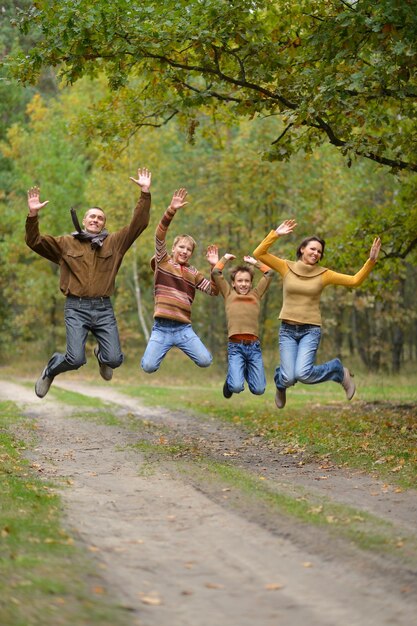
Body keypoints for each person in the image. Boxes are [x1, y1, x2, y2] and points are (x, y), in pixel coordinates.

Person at [25, 167, 152, 398]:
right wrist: (33, 216)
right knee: (74, 359)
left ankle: (102, 356)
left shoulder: (115, 243)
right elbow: (34, 241)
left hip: (103, 308)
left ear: (104, 224)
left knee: (114, 359)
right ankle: (51, 368)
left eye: (100, 218)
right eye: (92, 216)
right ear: (84, 221)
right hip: (76, 308)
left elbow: (138, 224)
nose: (96, 219)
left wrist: (144, 193)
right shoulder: (65, 244)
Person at [253, 220, 381, 409]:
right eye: (312, 249)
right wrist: (276, 234)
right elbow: (259, 254)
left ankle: (337, 370)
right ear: (302, 249)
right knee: (288, 377)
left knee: (303, 374)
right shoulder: (285, 266)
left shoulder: (324, 274)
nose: (316, 253)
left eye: (319, 251)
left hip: (310, 330)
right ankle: (281, 384)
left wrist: (371, 261)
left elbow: (354, 281)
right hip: (287, 330)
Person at [141, 187, 219, 373]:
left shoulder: (194, 273)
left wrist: (214, 267)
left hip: (183, 329)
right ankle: (154, 351)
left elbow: (214, 291)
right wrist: (171, 210)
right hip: (161, 328)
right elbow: (159, 235)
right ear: (174, 248)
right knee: (149, 367)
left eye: (188, 249)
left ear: (191, 253)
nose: (184, 251)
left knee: (205, 361)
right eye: (181, 247)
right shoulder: (163, 261)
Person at [212, 253, 273, 398]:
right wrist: (225, 258)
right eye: (240, 281)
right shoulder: (228, 294)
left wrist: (255, 262)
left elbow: (269, 273)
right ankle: (231, 380)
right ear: (233, 283)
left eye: (247, 281)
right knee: (236, 387)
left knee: (259, 390)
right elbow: (215, 272)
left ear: (251, 283)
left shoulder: (256, 294)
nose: (244, 284)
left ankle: (240, 371)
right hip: (235, 347)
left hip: (254, 347)